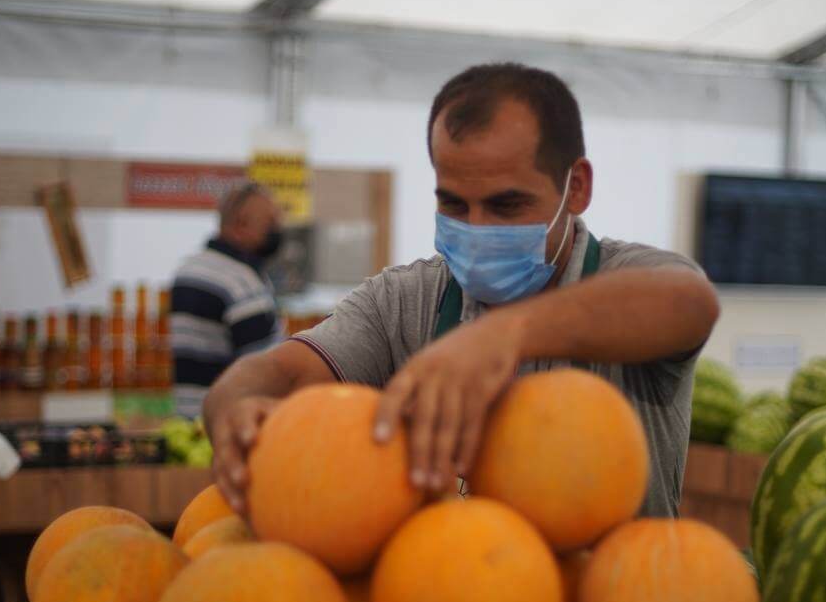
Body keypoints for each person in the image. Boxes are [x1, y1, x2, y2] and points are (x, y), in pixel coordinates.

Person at [204, 63, 719, 517]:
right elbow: (280, 375)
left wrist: (505, 334)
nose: (477, 227)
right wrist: (236, 404)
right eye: (453, 204)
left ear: (576, 187)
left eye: (507, 205)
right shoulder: (405, 301)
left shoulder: (627, 277)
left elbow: (689, 303)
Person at [169, 181, 285, 418]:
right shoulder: (241, 283)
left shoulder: (188, 270)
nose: (278, 230)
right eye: (270, 222)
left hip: (188, 419)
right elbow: (266, 372)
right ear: (241, 224)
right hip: (229, 423)